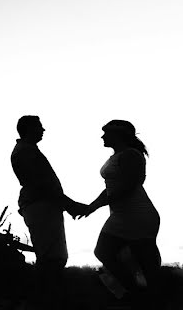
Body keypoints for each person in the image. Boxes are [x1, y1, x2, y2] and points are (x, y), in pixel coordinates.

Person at [80, 120, 162, 306]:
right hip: (121, 215)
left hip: (138, 215)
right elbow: (111, 187)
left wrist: (100, 205)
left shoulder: (130, 155)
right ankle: (136, 293)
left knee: (145, 261)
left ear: (117, 135)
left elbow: (130, 186)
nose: (102, 137)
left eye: (106, 133)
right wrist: (92, 206)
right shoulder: (117, 156)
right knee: (104, 251)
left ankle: (146, 296)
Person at [11, 115, 85, 307]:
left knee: (53, 257)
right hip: (41, 207)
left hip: (45, 206)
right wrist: (69, 203)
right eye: (40, 127)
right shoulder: (25, 152)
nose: (43, 130)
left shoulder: (28, 150)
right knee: (52, 258)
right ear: (28, 129)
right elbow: (40, 185)